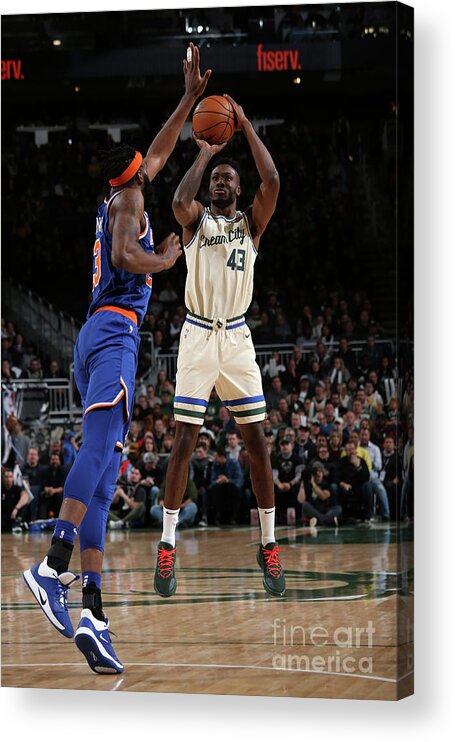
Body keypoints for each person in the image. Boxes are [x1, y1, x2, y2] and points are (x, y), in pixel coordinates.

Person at [23, 43, 211, 675]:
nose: (150, 165)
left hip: (98, 336)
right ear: (131, 174)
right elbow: (133, 258)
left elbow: (159, 151)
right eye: (144, 165)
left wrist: (187, 100)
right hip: (112, 333)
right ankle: (51, 567)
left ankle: (95, 614)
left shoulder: (124, 193)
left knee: (104, 484)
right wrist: (168, 257)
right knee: (100, 450)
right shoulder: (129, 206)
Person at [153, 93, 285, 599]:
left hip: (236, 337)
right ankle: (167, 546)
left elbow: (272, 182)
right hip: (196, 335)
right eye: (217, 180)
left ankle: (268, 544)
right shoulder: (195, 224)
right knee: (184, 440)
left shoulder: (251, 226)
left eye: (229, 178)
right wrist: (206, 150)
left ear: (238, 188)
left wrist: (245, 125)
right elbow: (177, 203)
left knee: (257, 444)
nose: (223, 183)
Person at [297, 461, 342, 527]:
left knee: (338, 508)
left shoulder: (326, 484)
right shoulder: (307, 485)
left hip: (324, 511)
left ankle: (320, 520)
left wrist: (313, 484)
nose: (318, 474)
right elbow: (301, 501)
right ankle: (326, 520)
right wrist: (302, 484)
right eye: (316, 472)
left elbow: (323, 497)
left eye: (320, 471)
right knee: (305, 505)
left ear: (323, 473)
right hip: (312, 511)